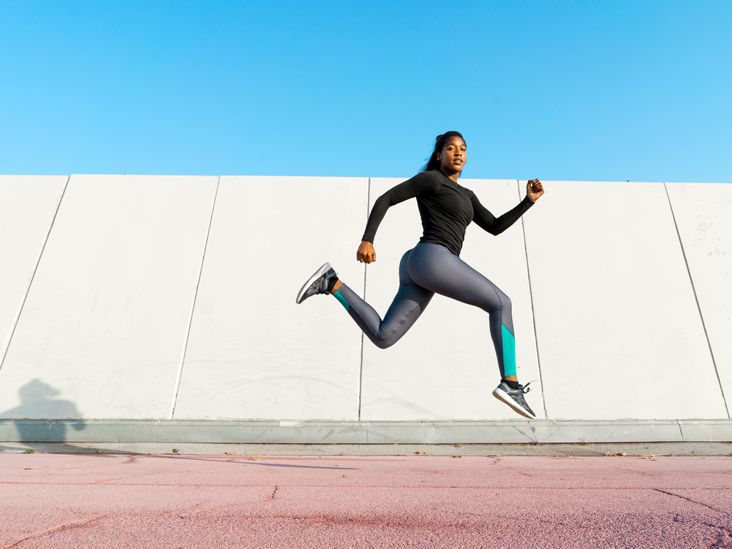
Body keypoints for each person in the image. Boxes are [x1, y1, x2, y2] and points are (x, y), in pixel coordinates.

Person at [295, 131, 545, 419]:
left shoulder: (468, 196)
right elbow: (386, 198)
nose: (458, 153)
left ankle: (332, 283)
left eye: (463, 149)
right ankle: (510, 383)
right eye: (451, 148)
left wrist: (528, 201)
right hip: (432, 257)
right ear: (439, 155)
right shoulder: (431, 180)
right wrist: (367, 239)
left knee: (383, 336)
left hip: (419, 267)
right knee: (502, 303)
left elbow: (495, 226)